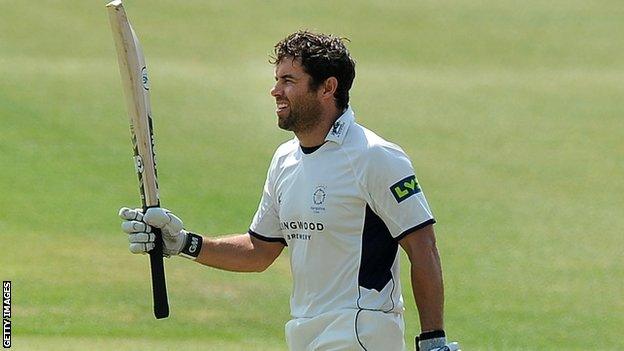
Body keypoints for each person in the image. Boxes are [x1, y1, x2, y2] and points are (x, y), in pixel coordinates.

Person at [119, 30, 460, 351]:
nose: (275, 91)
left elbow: (422, 246)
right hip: (305, 334)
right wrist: (183, 243)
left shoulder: (375, 156)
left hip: (360, 333)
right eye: (276, 80)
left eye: (288, 81)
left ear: (327, 88)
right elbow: (258, 251)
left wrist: (433, 340)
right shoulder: (284, 160)